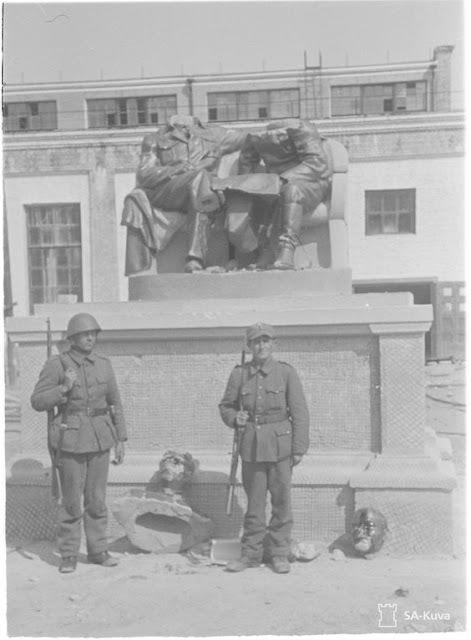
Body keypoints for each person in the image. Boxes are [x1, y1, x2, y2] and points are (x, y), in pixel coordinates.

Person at [31, 313, 127, 573]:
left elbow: (115, 402)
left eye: (94, 333)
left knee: (97, 500)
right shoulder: (57, 364)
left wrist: (121, 437)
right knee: (72, 501)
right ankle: (69, 554)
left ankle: (98, 551)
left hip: (100, 438)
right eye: (85, 334)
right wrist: (63, 388)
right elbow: (38, 401)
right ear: (72, 338)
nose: (90, 338)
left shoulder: (104, 364)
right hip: (70, 439)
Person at [219, 323, 309, 573]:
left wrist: (299, 448)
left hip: (281, 446)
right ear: (249, 346)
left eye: (266, 341)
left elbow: (300, 412)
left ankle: (279, 553)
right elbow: (225, 406)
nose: (262, 346)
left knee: (282, 502)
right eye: (257, 342)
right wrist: (233, 417)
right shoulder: (239, 374)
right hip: (252, 446)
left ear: (274, 344)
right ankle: (251, 554)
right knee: (255, 504)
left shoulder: (286, 373)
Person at [122, 114, 246, 275]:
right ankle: (195, 259)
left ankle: (196, 260)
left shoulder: (215, 135)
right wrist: (178, 169)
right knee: (200, 177)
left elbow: (249, 139)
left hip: (205, 193)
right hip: (170, 192)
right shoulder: (155, 138)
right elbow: (144, 174)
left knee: (201, 183)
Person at [236, 118, 332, 270]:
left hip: (312, 182)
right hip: (277, 185)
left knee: (291, 190)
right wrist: (247, 185)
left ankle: (287, 250)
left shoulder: (303, 129)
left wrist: (282, 179)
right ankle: (265, 251)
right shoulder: (256, 137)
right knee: (257, 193)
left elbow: (317, 164)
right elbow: (245, 165)